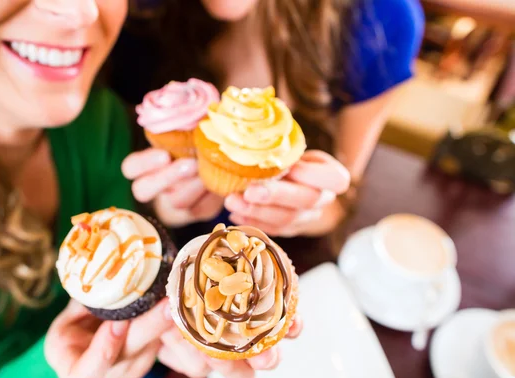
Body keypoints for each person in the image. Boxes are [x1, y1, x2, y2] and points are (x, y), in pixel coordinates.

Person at [0, 1, 301, 378]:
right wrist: (52, 373)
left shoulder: (99, 120)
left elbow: (137, 272)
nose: (81, 11)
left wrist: (181, 300)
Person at [111, 0, 424, 237]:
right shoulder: (121, 10)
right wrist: (160, 207)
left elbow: (340, 198)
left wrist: (306, 208)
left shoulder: (381, 20)